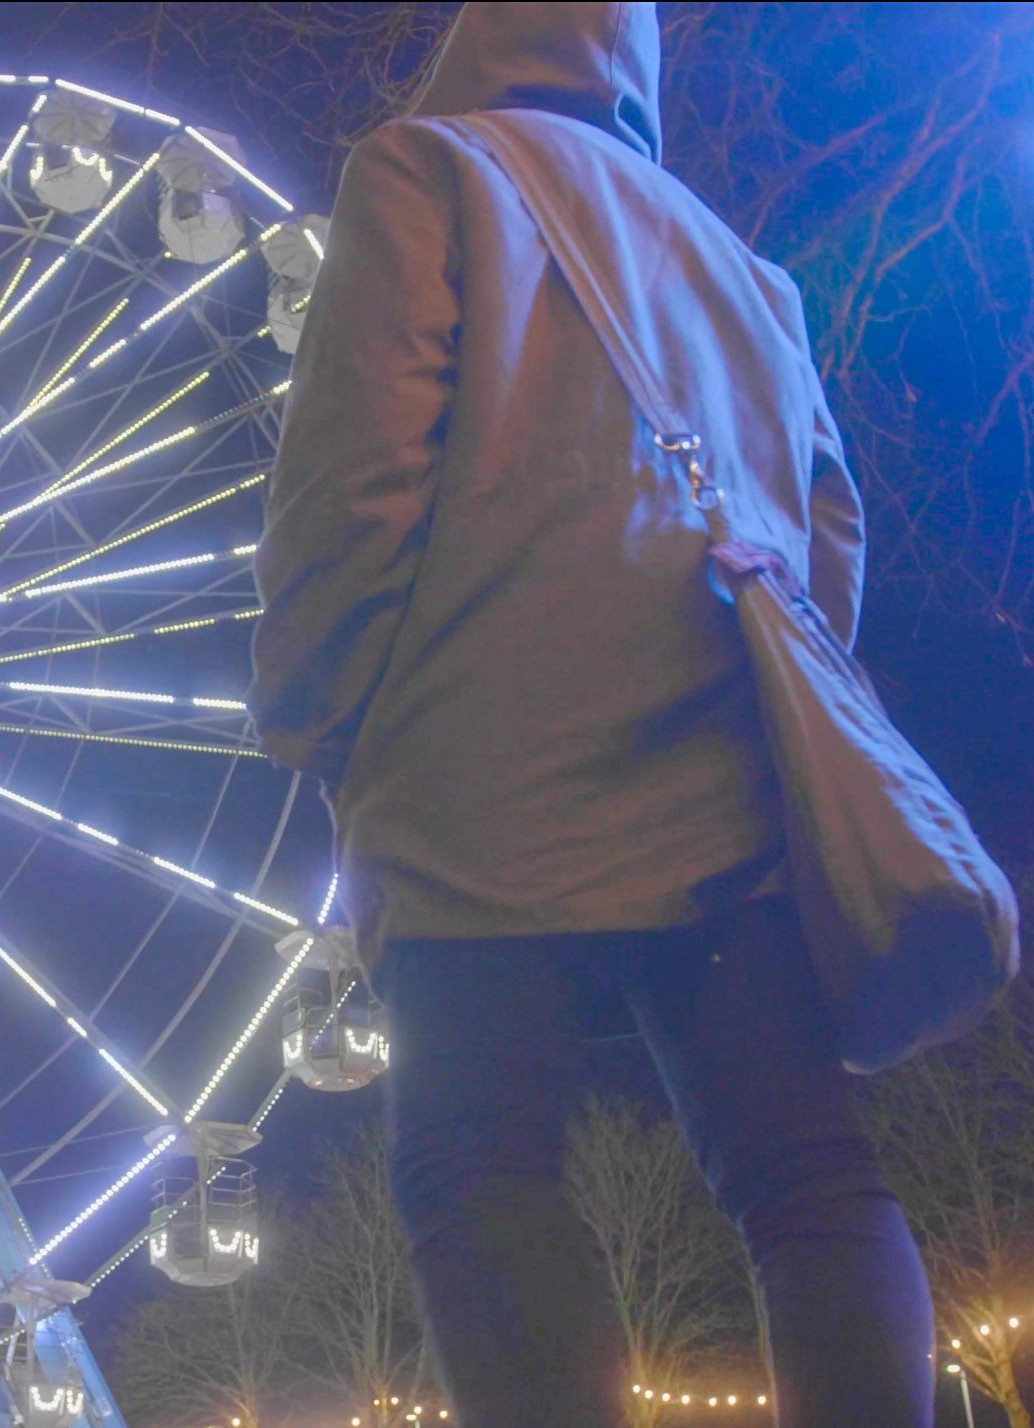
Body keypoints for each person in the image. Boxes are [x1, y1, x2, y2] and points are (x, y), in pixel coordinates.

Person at [248, 4, 935, 1423]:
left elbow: (356, 479)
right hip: (722, 776)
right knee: (806, 1175)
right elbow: (829, 544)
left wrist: (316, 708)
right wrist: (772, 729)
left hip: (476, 777)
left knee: (480, 1169)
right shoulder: (750, 273)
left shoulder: (426, 168)